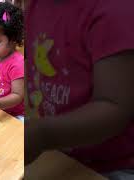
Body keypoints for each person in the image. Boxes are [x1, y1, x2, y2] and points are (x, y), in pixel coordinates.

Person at [25, 0, 134, 179]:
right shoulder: (36, 6)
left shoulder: (116, 9)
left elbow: (115, 106)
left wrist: (42, 135)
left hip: (111, 166)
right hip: (54, 151)